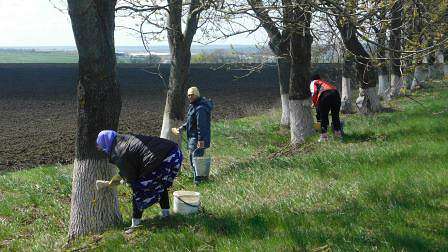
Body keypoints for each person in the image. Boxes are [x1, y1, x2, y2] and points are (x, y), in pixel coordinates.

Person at [95, 130, 183, 232]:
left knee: (138, 191)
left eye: (102, 146)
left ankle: (135, 225)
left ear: (106, 142)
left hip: (161, 160)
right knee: (160, 184)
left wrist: (126, 181)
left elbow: (131, 176)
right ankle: (166, 216)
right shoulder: (124, 139)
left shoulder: (117, 152)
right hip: (175, 153)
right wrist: (119, 178)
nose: (102, 149)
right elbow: (131, 164)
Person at [172, 86, 213, 184]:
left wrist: (201, 140)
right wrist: (181, 128)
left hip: (197, 138)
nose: (190, 97)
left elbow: (201, 126)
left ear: (197, 95)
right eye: (188, 95)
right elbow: (191, 122)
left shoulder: (200, 108)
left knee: (196, 160)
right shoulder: (194, 106)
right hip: (193, 138)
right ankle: (200, 179)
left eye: (192, 95)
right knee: (194, 159)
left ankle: (198, 182)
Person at [310, 74, 342, 142]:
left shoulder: (313, 82)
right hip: (336, 94)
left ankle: (324, 137)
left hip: (325, 95)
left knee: (323, 116)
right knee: (335, 115)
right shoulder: (323, 82)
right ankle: (338, 135)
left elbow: (314, 92)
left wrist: (315, 103)